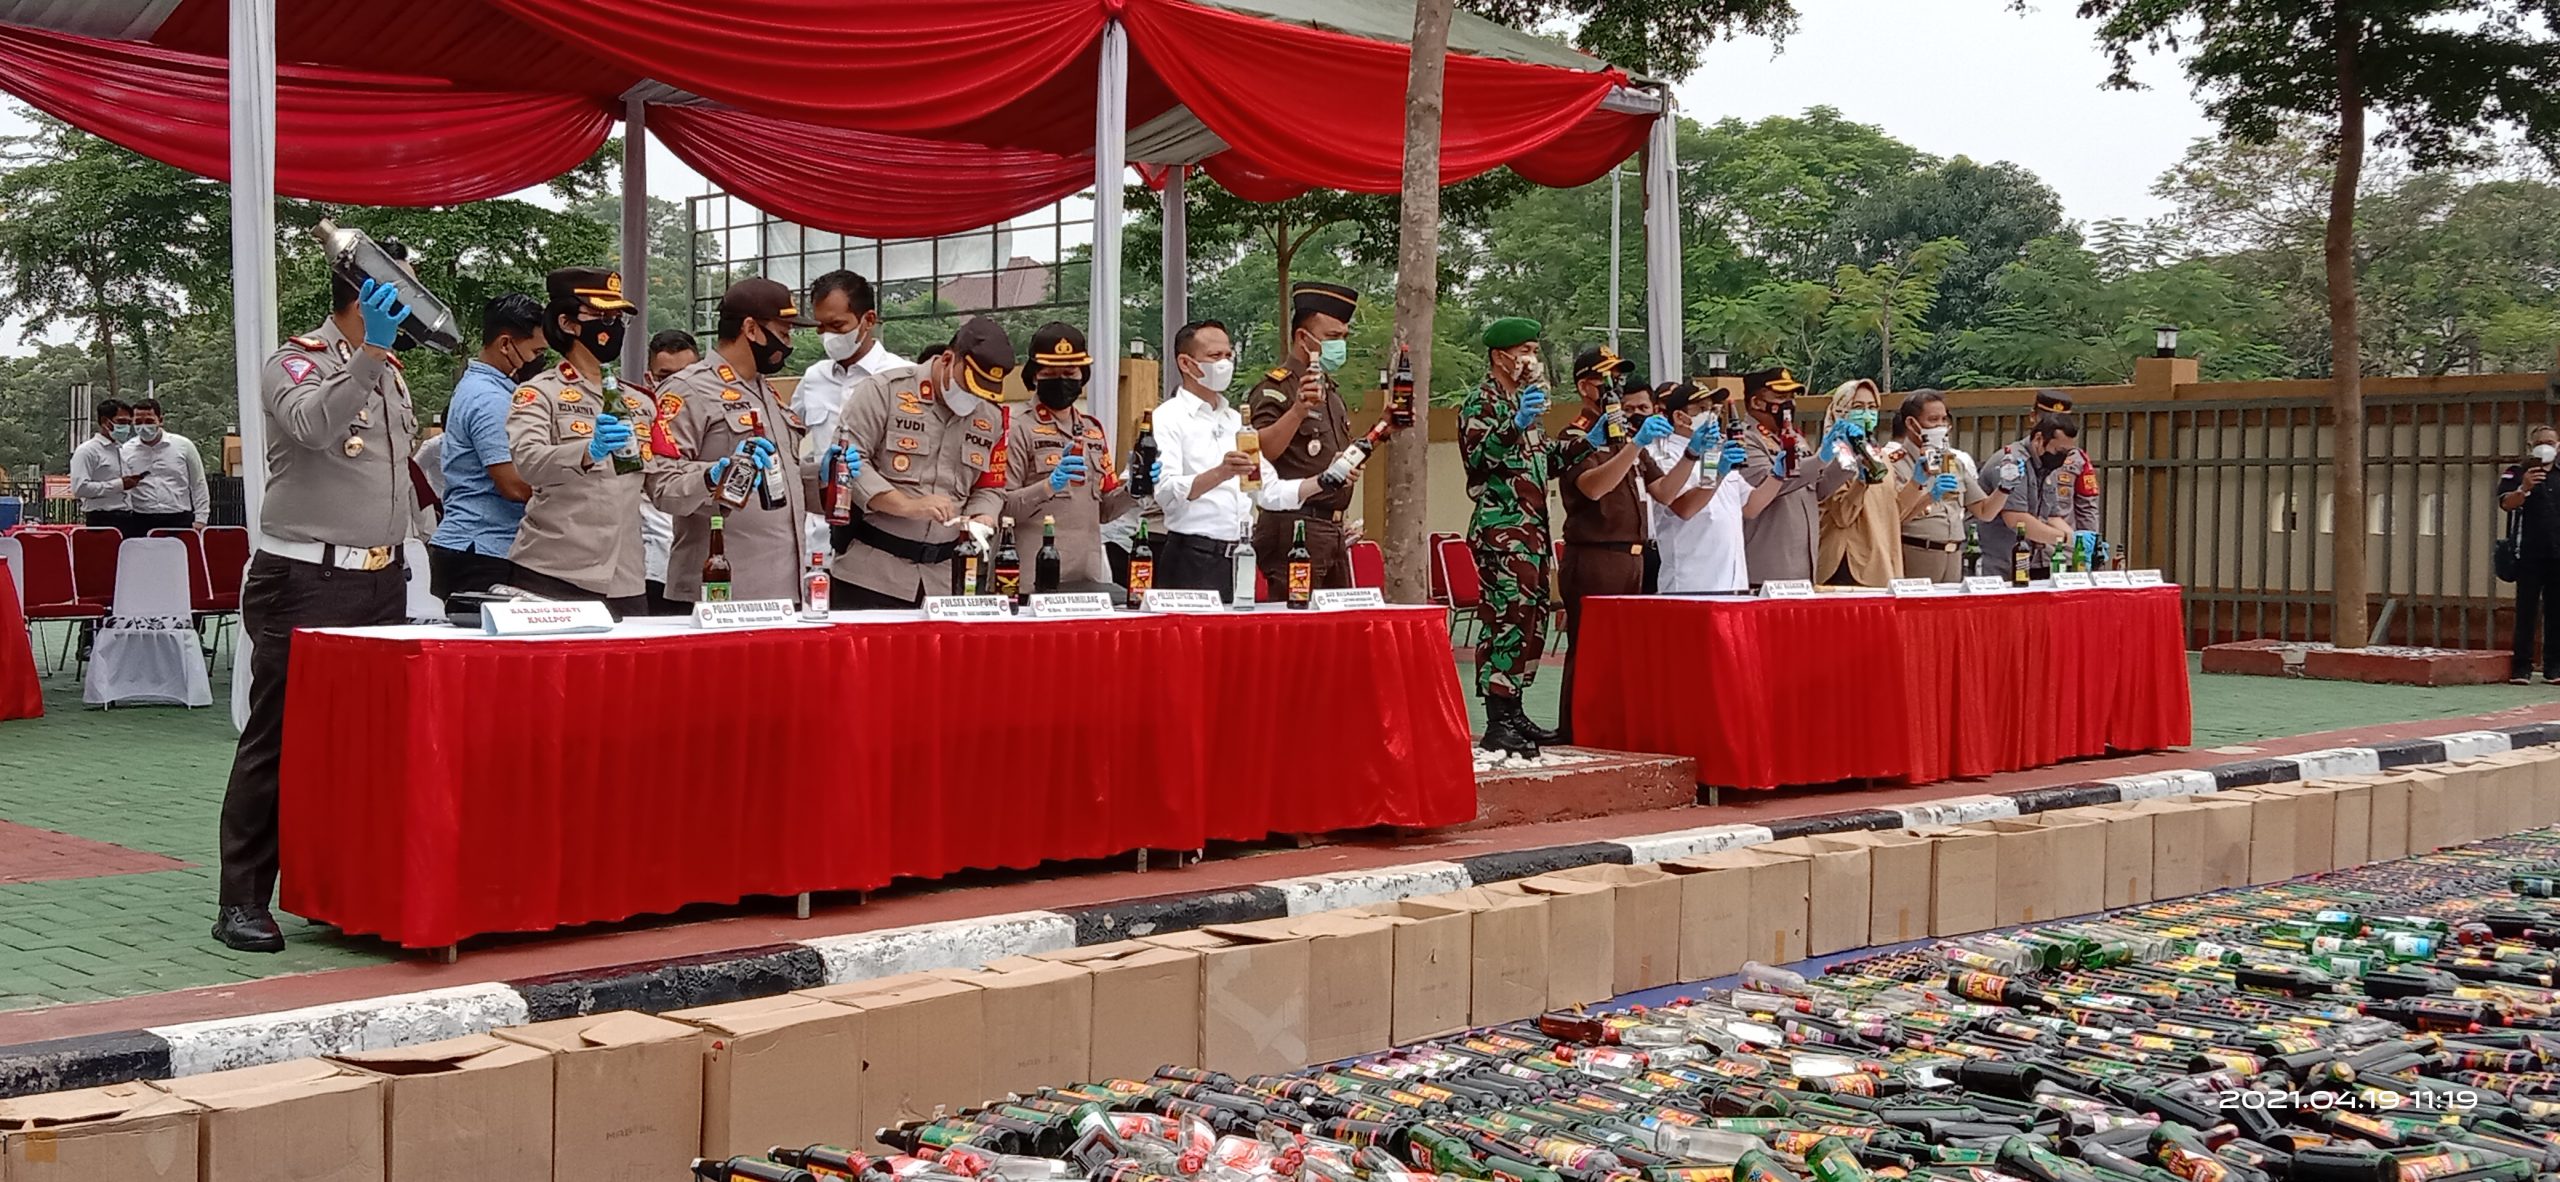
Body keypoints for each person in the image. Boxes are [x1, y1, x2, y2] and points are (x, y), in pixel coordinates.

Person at [217, 258, 424, 953]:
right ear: (368, 297)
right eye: (402, 294)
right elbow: (310, 426)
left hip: (380, 578)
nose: (413, 309)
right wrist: (368, 356)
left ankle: (340, 891)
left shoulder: (389, 369)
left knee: (361, 745)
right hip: (305, 577)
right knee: (277, 740)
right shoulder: (295, 362)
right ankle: (242, 900)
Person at [647, 277, 846, 605]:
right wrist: (714, 477)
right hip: (718, 592)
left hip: (783, 589)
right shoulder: (688, 390)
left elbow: (779, 483)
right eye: (783, 333)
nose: (788, 344)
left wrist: (822, 480)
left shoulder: (767, 392)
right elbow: (661, 486)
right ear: (751, 329)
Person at [1458, 318, 1589, 756]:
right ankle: (1497, 719)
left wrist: (1588, 440)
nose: (1532, 359)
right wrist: (1514, 422)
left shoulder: (1526, 401)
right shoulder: (1482, 401)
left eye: (1534, 350)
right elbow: (1479, 458)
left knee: (1530, 621)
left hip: (1532, 532)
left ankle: (1514, 709)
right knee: (1506, 620)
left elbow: (1545, 460)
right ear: (1501, 356)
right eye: (1525, 351)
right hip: (1501, 532)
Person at [825, 316, 1012, 607]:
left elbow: (990, 485)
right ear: (947, 359)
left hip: (947, 580)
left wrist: (982, 516)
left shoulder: (991, 417)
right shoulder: (884, 391)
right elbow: (848, 461)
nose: (972, 399)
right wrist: (907, 505)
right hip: (873, 574)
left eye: (981, 393)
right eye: (968, 387)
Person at [504, 267, 650, 617]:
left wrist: (715, 476)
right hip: (555, 572)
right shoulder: (540, 393)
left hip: (626, 577)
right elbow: (529, 463)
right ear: (568, 323)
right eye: (603, 317)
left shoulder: (641, 403)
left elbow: (664, 485)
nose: (614, 327)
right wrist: (588, 451)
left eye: (619, 319)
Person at [1555, 346, 1665, 745]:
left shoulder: (1627, 436)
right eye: (1605, 378)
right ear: (1585, 386)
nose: (1614, 386)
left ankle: (1614, 729)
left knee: (1624, 653)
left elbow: (1665, 491)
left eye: (1617, 377)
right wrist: (1632, 446)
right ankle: (1577, 732)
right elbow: (1594, 487)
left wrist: (1697, 457)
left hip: (1634, 558)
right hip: (1596, 556)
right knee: (1589, 650)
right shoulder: (1576, 435)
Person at [1245, 280, 1384, 594]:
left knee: (1336, 622)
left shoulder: (1331, 392)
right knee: (1295, 619)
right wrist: (1297, 411)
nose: (1339, 345)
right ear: (1302, 338)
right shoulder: (1277, 389)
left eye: (1344, 337)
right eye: (1332, 337)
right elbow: (1259, 452)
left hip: (1332, 529)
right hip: (1292, 527)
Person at [1000, 322, 1150, 595]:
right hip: (1030, 578)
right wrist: (1048, 486)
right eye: (1050, 373)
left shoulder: (1092, 430)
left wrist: (1135, 488)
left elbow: (1104, 510)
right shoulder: (1016, 427)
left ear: (1083, 375)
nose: (1061, 380)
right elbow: (1002, 508)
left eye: (1070, 372)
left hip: (1086, 576)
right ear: (1034, 376)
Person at [427, 293, 542, 601]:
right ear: (505, 344)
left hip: (476, 547)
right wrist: (569, 492)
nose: (539, 360)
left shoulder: (485, 388)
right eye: (536, 351)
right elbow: (513, 485)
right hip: (481, 551)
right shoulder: (490, 399)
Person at [793, 270, 911, 559]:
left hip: (881, 539)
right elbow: (786, 438)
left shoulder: (903, 377)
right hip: (821, 537)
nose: (828, 336)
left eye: (837, 325)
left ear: (868, 320)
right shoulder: (814, 378)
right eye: (821, 327)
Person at [1153, 319, 1258, 599]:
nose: (1224, 364)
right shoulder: (1168, 417)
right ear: (1186, 364)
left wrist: (1323, 480)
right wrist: (1221, 472)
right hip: (1193, 555)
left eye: (1228, 355)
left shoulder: (1235, 419)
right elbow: (1166, 491)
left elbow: (1265, 487)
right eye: (1214, 356)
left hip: (1239, 553)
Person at [1735, 368, 1855, 586]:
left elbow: (1817, 489)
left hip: (1804, 565)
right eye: (1781, 397)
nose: (1789, 404)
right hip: (1767, 568)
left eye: (1791, 397)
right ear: (1756, 402)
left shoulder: (1795, 438)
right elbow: (1767, 486)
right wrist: (1819, 459)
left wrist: (1846, 457)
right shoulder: (1745, 440)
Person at [1641, 382, 1753, 594]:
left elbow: (1751, 505)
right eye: (1702, 409)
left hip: (1732, 580)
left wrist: (1779, 475)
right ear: (1679, 417)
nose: (1711, 416)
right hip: (1691, 580)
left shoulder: (1717, 450)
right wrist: (1718, 471)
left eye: (1713, 409)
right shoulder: (1661, 453)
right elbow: (1684, 508)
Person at [1889, 389, 2004, 582]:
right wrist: (1929, 496)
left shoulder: (1954, 462)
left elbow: (1985, 511)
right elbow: (1892, 517)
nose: (1941, 426)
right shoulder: (1895, 463)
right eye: (1933, 420)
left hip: (1954, 552)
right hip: (1917, 550)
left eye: (1944, 420)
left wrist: (2005, 487)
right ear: (1911, 423)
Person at [1976, 410, 2094, 580]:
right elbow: (2016, 520)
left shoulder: (2046, 467)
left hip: (2021, 560)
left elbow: (2051, 516)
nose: (2061, 458)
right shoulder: (2012, 462)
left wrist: (2079, 541)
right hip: (1992, 559)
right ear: (2039, 439)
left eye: (2067, 453)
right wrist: (2066, 538)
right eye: (2059, 450)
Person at [1813, 379, 1903, 587]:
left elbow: (1890, 510)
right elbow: (1842, 515)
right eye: (1858, 407)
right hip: (1849, 563)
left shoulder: (1879, 455)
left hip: (1879, 560)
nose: (1866, 414)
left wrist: (1921, 485)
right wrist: (1861, 482)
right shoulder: (1833, 454)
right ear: (1840, 410)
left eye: (1872, 407)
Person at [637, 329, 700, 615]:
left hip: (701, 559)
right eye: (665, 376)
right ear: (650, 378)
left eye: (686, 374)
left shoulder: (714, 414)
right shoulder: (635, 417)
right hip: (653, 559)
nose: (677, 384)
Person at [2498, 425, 2560, 683]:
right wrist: (2524, 488)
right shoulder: (2516, 472)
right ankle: (2521, 666)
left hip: (2557, 553)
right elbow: (2506, 503)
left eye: (2550, 442)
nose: (2545, 446)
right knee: (2526, 611)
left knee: (2556, 612)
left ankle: (2554, 667)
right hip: (2528, 553)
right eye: (2540, 442)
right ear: (2530, 446)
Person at [118, 399, 210, 534]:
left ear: (160, 420)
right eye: (138, 422)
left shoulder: (184, 446)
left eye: (149, 421)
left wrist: (201, 519)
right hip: (141, 520)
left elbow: (198, 483)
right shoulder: (126, 451)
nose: (143, 426)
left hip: (179, 518)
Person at [2036, 389, 2103, 536]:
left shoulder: (2077, 459)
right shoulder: (2016, 457)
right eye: (2047, 419)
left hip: (2063, 542)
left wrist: (2090, 541)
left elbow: (2087, 506)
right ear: (2033, 417)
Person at [69, 398, 132, 534]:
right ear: (105, 422)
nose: (126, 428)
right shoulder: (87, 451)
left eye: (129, 423)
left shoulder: (122, 450)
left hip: (127, 517)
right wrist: (119, 485)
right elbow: (79, 489)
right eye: (121, 422)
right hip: (102, 518)